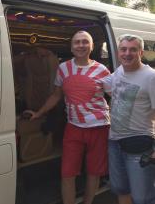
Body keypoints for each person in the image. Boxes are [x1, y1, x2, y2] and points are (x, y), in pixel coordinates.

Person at [26, 31, 111, 204]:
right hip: (73, 127)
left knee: (94, 172)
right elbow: (56, 95)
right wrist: (39, 113)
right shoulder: (63, 68)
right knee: (67, 173)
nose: (81, 45)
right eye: (77, 42)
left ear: (92, 46)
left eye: (85, 42)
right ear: (71, 47)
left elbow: (115, 96)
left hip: (99, 127)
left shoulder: (102, 71)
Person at [108, 34, 155, 204]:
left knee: (143, 197)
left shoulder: (151, 77)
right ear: (118, 52)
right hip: (114, 141)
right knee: (121, 189)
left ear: (141, 53)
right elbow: (107, 87)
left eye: (133, 50)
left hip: (140, 144)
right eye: (123, 49)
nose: (127, 53)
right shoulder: (119, 71)